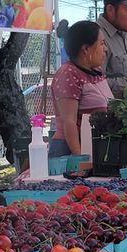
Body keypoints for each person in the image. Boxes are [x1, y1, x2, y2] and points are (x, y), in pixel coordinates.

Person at [48, 20, 112, 158]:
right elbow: (69, 122)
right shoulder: (68, 74)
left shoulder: (97, 72)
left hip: (93, 148)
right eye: (101, 44)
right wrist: (80, 159)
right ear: (86, 49)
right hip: (69, 151)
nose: (105, 49)